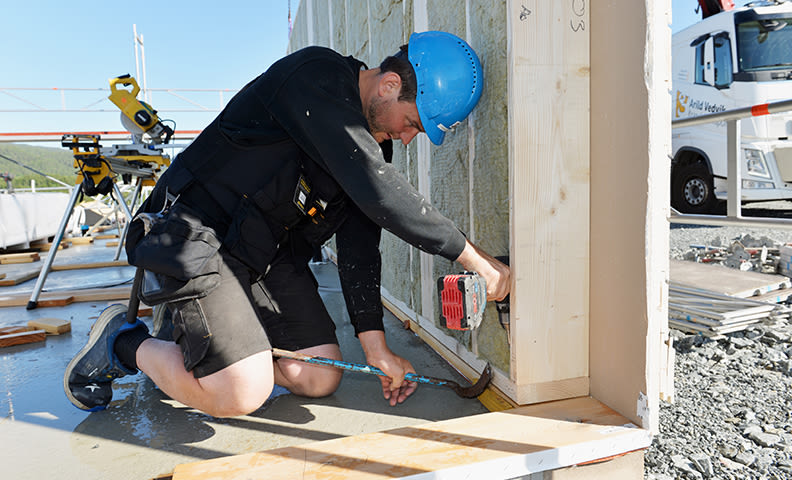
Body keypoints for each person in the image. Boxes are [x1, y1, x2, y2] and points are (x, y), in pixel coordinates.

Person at [63, 30, 511, 417]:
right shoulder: (314, 75)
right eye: (413, 123)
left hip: (264, 257)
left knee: (319, 378)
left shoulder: (370, 148)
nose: (410, 137)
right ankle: (123, 343)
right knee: (243, 390)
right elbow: (384, 196)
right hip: (194, 235)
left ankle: (200, 345)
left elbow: (359, 248)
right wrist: (475, 259)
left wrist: (377, 350)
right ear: (389, 85)